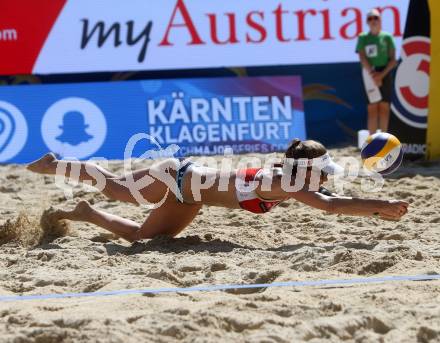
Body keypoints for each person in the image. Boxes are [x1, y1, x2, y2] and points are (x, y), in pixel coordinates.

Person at [27, 139, 409, 242]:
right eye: (323, 172)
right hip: (175, 175)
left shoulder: (290, 177)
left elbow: (330, 198)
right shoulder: (286, 183)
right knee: (114, 188)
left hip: (190, 194)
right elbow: (332, 206)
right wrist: (383, 204)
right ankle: (53, 164)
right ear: (307, 172)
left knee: (143, 240)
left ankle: (85, 214)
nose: (327, 177)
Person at [356, 9, 397, 134]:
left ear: (380, 20)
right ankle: (372, 144)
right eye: (370, 18)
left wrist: (381, 76)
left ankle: (384, 140)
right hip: (369, 73)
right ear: (367, 22)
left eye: (376, 18)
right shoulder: (363, 37)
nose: (373, 20)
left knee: (384, 107)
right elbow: (362, 57)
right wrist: (374, 76)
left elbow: (393, 60)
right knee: (372, 108)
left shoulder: (387, 37)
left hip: (385, 72)